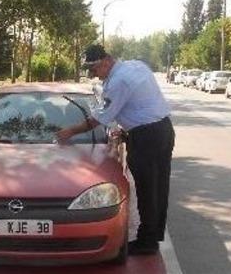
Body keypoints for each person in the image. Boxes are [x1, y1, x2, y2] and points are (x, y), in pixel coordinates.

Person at [56, 44, 175, 255]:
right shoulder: (135, 66)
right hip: (163, 130)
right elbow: (135, 104)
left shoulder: (117, 82)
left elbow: (99, 119)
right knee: (159, 186)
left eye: (94, 69)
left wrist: (70, 132)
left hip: (147, 137)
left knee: (147, 189)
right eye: (89, 70)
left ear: (107, 60)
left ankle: (147, 241)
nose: (93, 75)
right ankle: (153, 236)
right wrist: (125, 130)